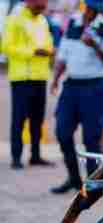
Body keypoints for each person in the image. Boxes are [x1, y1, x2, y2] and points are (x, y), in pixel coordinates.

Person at [50, 0, 103, 194]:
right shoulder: (73, 22)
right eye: (89, 7)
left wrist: (95, 45)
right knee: (62, 132)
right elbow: (63, 55)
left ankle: (92, 183)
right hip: (72, 86)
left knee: (92, 139)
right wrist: (55, 79)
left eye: (94, 9)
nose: (90, 12)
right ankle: (73, 178)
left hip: (95, 87)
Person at [1, 0, 55, 170]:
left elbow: (48, 42)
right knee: (19, 119)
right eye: (39, 6)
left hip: (40, 76)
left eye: (44, 7)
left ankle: (35, 156)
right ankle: (16, 157)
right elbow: (6, 47)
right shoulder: (14, 19)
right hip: (22, 78)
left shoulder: (42, 20)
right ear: (29, 2)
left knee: (37, 119)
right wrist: (33, 52)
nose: (41, 10)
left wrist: (50, 50)